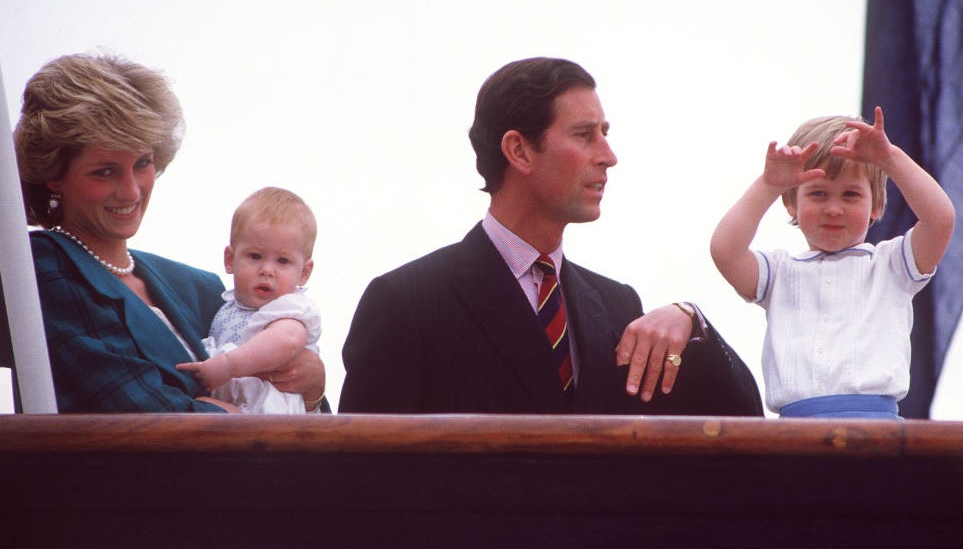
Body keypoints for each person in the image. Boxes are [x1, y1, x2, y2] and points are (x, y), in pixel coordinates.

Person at [339, 56, 762, 415]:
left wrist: (691, 319)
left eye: (605, 133)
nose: (609, 156)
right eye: (584, 134)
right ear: (519, 150)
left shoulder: (619, 306)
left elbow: (744, 424)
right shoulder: (405, 301)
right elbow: (360, 480)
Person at [13, 52, 326, 413]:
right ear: (55, 174)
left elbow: (290, 412)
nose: (131, 191)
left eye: (142, 163)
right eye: (104, 171)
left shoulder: (202, 288)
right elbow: (135, 408)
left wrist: (312, 389)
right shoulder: (45, 267)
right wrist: (232, 419)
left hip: (256, 468)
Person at [710, 107, 955, 419]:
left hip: (876, 429)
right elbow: (725, 250)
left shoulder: (891, 265)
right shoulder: (779, 274)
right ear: (791, 204)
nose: (834, 209)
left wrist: (889, 158)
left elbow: (941, 220)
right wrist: (769, 184)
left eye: (851, 195)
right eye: (819, 194)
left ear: (876, 206)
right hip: (793, 434)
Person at [176, 187, 326, 413]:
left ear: (304, 272)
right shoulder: (230, 307)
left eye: (282, 261)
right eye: (255, 256)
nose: (267, 270)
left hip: (271, 409)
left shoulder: (290, 308)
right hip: (240, 400)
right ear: (230, 259)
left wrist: (228, 365)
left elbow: (286, 340)